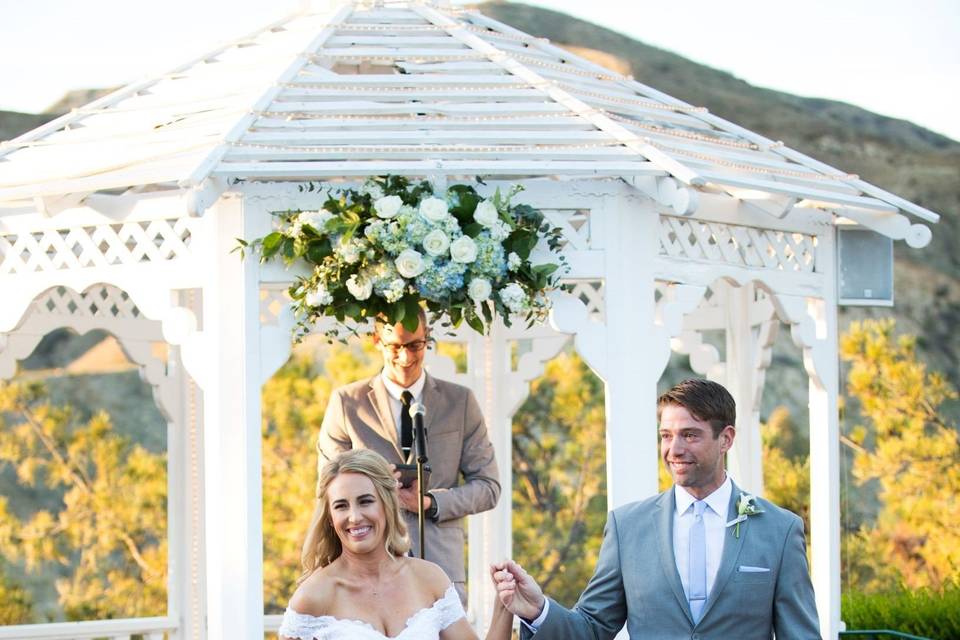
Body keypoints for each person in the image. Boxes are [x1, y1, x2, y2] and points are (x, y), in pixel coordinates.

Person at [493, 378, 821, 639]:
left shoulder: (779, 529)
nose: (674, 450)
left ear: (726, 439)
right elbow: (592, 629)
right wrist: (538, 610)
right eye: (666, 435)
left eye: (690, 435)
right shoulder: (628, 527)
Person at [316, 309, 500, 604]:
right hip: (366, 566)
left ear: (427, 340)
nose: (405, 358)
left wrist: (430, 502)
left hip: (439, 564)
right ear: (376, 340)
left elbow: (489, 488)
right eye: (394, 347)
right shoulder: (346, 402)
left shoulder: (460, 401)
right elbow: (326, 487)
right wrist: (372, 486)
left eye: (415, 345)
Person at [279, 449, 513, 640]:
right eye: (341, 506)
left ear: (387, 505)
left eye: (366, 501)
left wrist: (504, 605)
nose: (354, 516)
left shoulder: (429, 578)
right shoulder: (313, 596)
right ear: (330, 517)